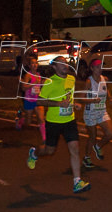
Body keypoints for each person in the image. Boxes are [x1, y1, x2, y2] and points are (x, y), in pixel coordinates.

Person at [26, 56, 89, 193]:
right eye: (61, 64)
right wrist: (58, 104)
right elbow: (40, 101)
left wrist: (74, 104)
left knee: (75, 149)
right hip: (53, 122)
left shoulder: (71, 79)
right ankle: (35, 153)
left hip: (69, 121)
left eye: (66, 63)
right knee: (49, 150)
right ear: (54, 67)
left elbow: (68, 97)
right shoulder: (50, 82)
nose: (65, 65)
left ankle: (77, 181)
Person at [79, 58, 112, 169]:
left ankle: (98, 147)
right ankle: (86, 157)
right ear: (92, 68)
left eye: (101, 67)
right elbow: (81, 99)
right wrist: (93, 100)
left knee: (110, 133)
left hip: (102, 111)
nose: (100, 69)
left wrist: (110, 97)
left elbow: (105, 89)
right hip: (90, 113)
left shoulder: (104, 79)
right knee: (92, 137)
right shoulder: (89, 82)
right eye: (97, 67)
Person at [18, 55, 46, 142]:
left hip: (37, 101)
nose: (35, 65)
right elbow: (23, 87)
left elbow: (39, 87)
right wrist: (34, 83)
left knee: (41, 119)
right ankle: (20, 119)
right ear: (30, 66)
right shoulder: (28, 75)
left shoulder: (39, 75)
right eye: (32, 63)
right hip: (29, 100)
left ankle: (45, 139)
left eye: (36, 63)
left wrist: (42, 84)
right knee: (28, 122)